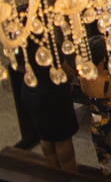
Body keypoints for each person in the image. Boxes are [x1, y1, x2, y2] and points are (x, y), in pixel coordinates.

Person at [16, 41, 80, 174]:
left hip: (30, 91)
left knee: (45, 135)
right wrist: (69, 78)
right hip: (52, 94)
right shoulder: (45, 43)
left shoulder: (18, 42)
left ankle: (54, 173)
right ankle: (71, 175)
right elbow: (66, 70)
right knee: (62, 138)